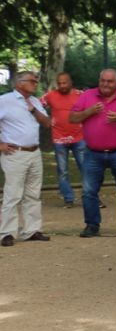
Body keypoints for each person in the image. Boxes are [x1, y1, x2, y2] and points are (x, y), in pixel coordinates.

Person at [70, 69, 116, 237]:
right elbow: (72, 118)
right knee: (89, 191)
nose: (105, 84)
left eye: (109, 81)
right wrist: (88, 112)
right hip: (92, 153)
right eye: (103, 80)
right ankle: (92, 225)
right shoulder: (87, 95)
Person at [0, 71, 51, 246]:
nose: (35, 83)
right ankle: (7, 233)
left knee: (33, 194)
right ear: (19, 83)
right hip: (15, 154)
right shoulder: (5, 101)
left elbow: (47, 122)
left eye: (36, 81)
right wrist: (0, 145)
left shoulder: (35, 101)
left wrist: (33, 110)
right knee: (13, 194)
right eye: (32, 81)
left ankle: (32, 230)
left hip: (34, 153)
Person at [43, 71, 85, 206]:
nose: (62, 86)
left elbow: (93, 108)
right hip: (59, 138)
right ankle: (68, 198)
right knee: (62, 170)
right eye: (59, 83)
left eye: (64, 82)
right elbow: (36, 105)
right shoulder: (50, 96)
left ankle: (90, 196)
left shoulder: (80, 95)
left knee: (85, 168)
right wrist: (46, 119)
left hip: (79, 137)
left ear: (70, 82)